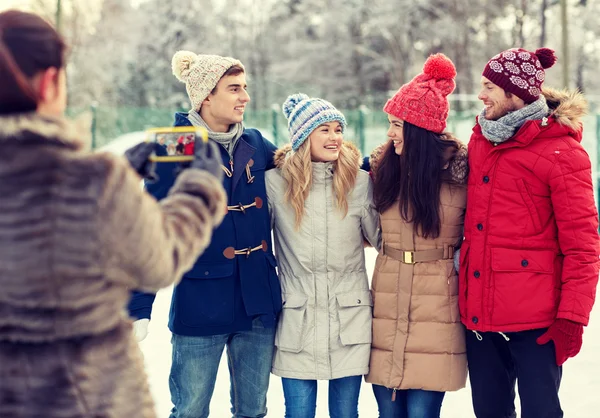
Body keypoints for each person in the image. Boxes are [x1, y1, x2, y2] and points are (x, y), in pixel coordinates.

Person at [0, 10, 226, 418]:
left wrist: (121, 177)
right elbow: (158, 261)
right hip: (84, 398)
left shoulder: (97, 182)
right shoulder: (90, 183)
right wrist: (201, 188)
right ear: (51, 81)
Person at [127, 51, 282, 418]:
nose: (245, 97)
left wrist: (373, 165)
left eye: (245, 88)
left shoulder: (256, 143)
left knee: (253, 411)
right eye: (234, 89)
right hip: (201, 304)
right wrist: (138, 304)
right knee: (191, 410)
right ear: (206, 97)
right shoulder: (174, 145)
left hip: (257, 303)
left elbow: (307, 166)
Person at [460, 47, 599, 418]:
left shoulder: (562, 153)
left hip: (537, 322)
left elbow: (583, 246)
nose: (481, 94)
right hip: (480, 317)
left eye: (489, 86)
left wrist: (572, 317)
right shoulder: (480, 141)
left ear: (515, 93)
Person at [366, 54, 468, 418]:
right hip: (387, 304)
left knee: (423, 414)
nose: (390, 132)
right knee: (388, 414)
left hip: (437, 308)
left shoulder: (460, 177)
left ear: (419, 129)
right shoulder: (382, 170)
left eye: (397, 124)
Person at [266, 94, 380, 418]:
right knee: (298, 413)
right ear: (303, 137)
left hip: (349, 318)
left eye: (337, 130)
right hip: (296, 321)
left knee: (346, 414)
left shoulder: (358, 183)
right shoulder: (275, 184)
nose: (335, 138)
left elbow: (383, 238)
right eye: (325, 130)